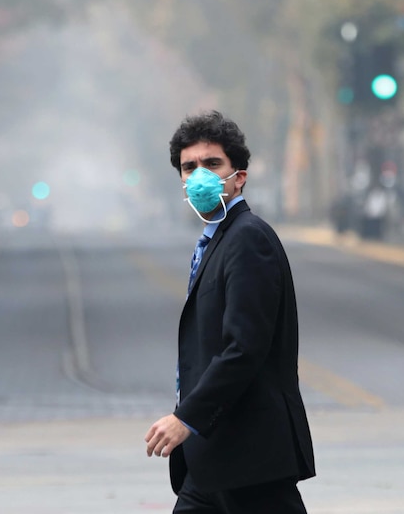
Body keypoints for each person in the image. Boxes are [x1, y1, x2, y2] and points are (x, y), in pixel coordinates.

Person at [145, 111, 315, 513]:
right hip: (216, 459)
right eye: (189, 167)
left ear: (239, 176)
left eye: (212, 164)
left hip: (248, 455)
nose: (199, 174)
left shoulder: (247, 239)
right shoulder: (219, 239)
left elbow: (244, 348)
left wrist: (185, 418)